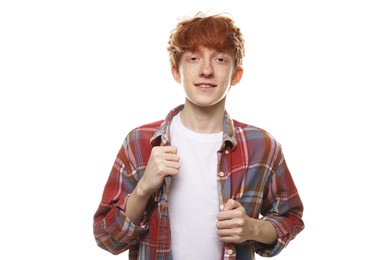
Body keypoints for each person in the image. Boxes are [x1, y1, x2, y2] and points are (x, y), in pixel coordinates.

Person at [93, 12, 304, 259]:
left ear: (236, 75)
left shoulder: (262, 146)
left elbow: (290, 217)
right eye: (193, 58)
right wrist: (143, 189)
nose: (206, 70)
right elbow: (107, 238)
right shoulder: (139, 143)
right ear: (176, 71)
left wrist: (253, 228)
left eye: (220, 59)